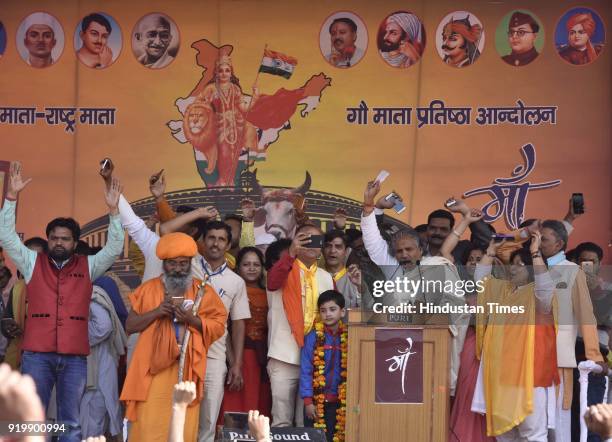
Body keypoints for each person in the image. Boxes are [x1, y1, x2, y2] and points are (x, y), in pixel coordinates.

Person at [0, 162, 125, 441]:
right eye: (54, 238)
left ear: (75, 242)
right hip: (36, 355)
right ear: (48, 240)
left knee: (71, 422)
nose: (58, 243)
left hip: (74, 358)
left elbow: (115, 247)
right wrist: (11, 197)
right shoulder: (33, 262)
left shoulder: (89, 265)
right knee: (33, 418)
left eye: (65, 239)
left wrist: (114, 212)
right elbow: (6, 237)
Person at [361, 180, 467, 396]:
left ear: (421, 250)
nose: (404, 255)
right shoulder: (392, 267)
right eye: (399, 251)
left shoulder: (436, 268)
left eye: (409, 249)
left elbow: (457, 306)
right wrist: (370, 204)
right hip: (393, 348)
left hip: (430, 349)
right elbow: (372, 241)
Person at [120, 232, 227, 441]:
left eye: (183, 263)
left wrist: (192, 319)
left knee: (183, 426)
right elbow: (130, 325)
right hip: (151, 371)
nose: (178, 269)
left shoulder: (203, 291)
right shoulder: (148, 289)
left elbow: (218, 326)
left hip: (186, 369)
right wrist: (157, 312)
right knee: (149, 425)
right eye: (172, 264)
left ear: (190, 264)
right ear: (163, 263)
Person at [473, 233, 558, 440]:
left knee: (533, 435)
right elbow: (480, 282)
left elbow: (545, 288)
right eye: (513, 264)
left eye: (520, 264)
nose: (513, 268)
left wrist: (535, 253)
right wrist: (491, 251)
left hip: (530, 376)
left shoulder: (538, 296)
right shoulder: (503, 290)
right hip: (500, 375)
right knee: (505, 435)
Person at [539, 219, 606, 442]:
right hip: (528, 358)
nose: (537, 243)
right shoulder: (529, 268)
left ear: (558, 244)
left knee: (557, 429)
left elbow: (587, 316)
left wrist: (595, 355)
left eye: (543, 239)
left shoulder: (571, 271)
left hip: (557, 361)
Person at [266, 224, 335, 427]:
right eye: (307, 240)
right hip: (284, 355)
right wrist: (291, 253)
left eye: (318, 241)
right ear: (297, 241)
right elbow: (272, 283)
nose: (313, 246)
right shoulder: (283, 268)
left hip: (314, 359)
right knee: (281, 421)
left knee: (305, 423)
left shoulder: (326, 277)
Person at [192, 221, 251, 442]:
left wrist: (236, 364)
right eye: (211, 238)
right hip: (184, 354)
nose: (215, 243)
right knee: (182, 412)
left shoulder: (236, 281)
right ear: (203, 241)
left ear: (228, 245)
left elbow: (238, 323)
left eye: (221, 239)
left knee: (208, 420)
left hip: (215, 357)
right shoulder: (188, 268)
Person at [193, 48, 259, 186]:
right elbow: (199, 106)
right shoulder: (211, 88)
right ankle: (222, 179)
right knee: (223, 152)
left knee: (234, 154)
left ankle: (229, 180)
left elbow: (244, 109)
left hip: (235, 125)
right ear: (216, 73)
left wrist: (255, 97)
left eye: (227, 70)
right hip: (218, 125)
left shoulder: (235, 89)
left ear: (231, 73)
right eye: (221, 70)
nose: (224, 73)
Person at [219, 247, 271, 420]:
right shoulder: (232, 291)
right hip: (240, 355)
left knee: (259, 405)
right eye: (246, 264)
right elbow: (224, 329)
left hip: (262, 358)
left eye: (256, 264)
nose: (251, 268)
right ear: (238, 268)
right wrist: (234, 362)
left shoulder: (270, 294)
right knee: (236, 404)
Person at [79, 277, 128, 439]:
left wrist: (73, 339)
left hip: (96, 361)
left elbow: (104, 327)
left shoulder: (98, 287)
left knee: (93, 416)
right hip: (87, 364)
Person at [300, 290, 346, 442]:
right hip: (315, 403)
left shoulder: (348, 337)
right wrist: (307, 402)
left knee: (335, 437)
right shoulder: (312, 337)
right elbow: (306, 370)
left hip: (339, 403)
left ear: (343, 311)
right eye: (323, 310)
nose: (328, 314)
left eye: (333, 309)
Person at [1, 237, 47, 370]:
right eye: (27, 257)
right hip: (20, 358)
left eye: (36, 258)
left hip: (48, 361)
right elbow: (7, 321)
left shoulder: (57, 286)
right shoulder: (18, 287)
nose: (31, 261)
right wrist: (8, 327)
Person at [322, 230, 362, 308]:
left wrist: (360, 288)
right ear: (322, 250)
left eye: (338, 247)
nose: (332, 251)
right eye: (328, 246)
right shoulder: (313, 276)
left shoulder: (356, 279)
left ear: (346, 252)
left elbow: (369, 314)